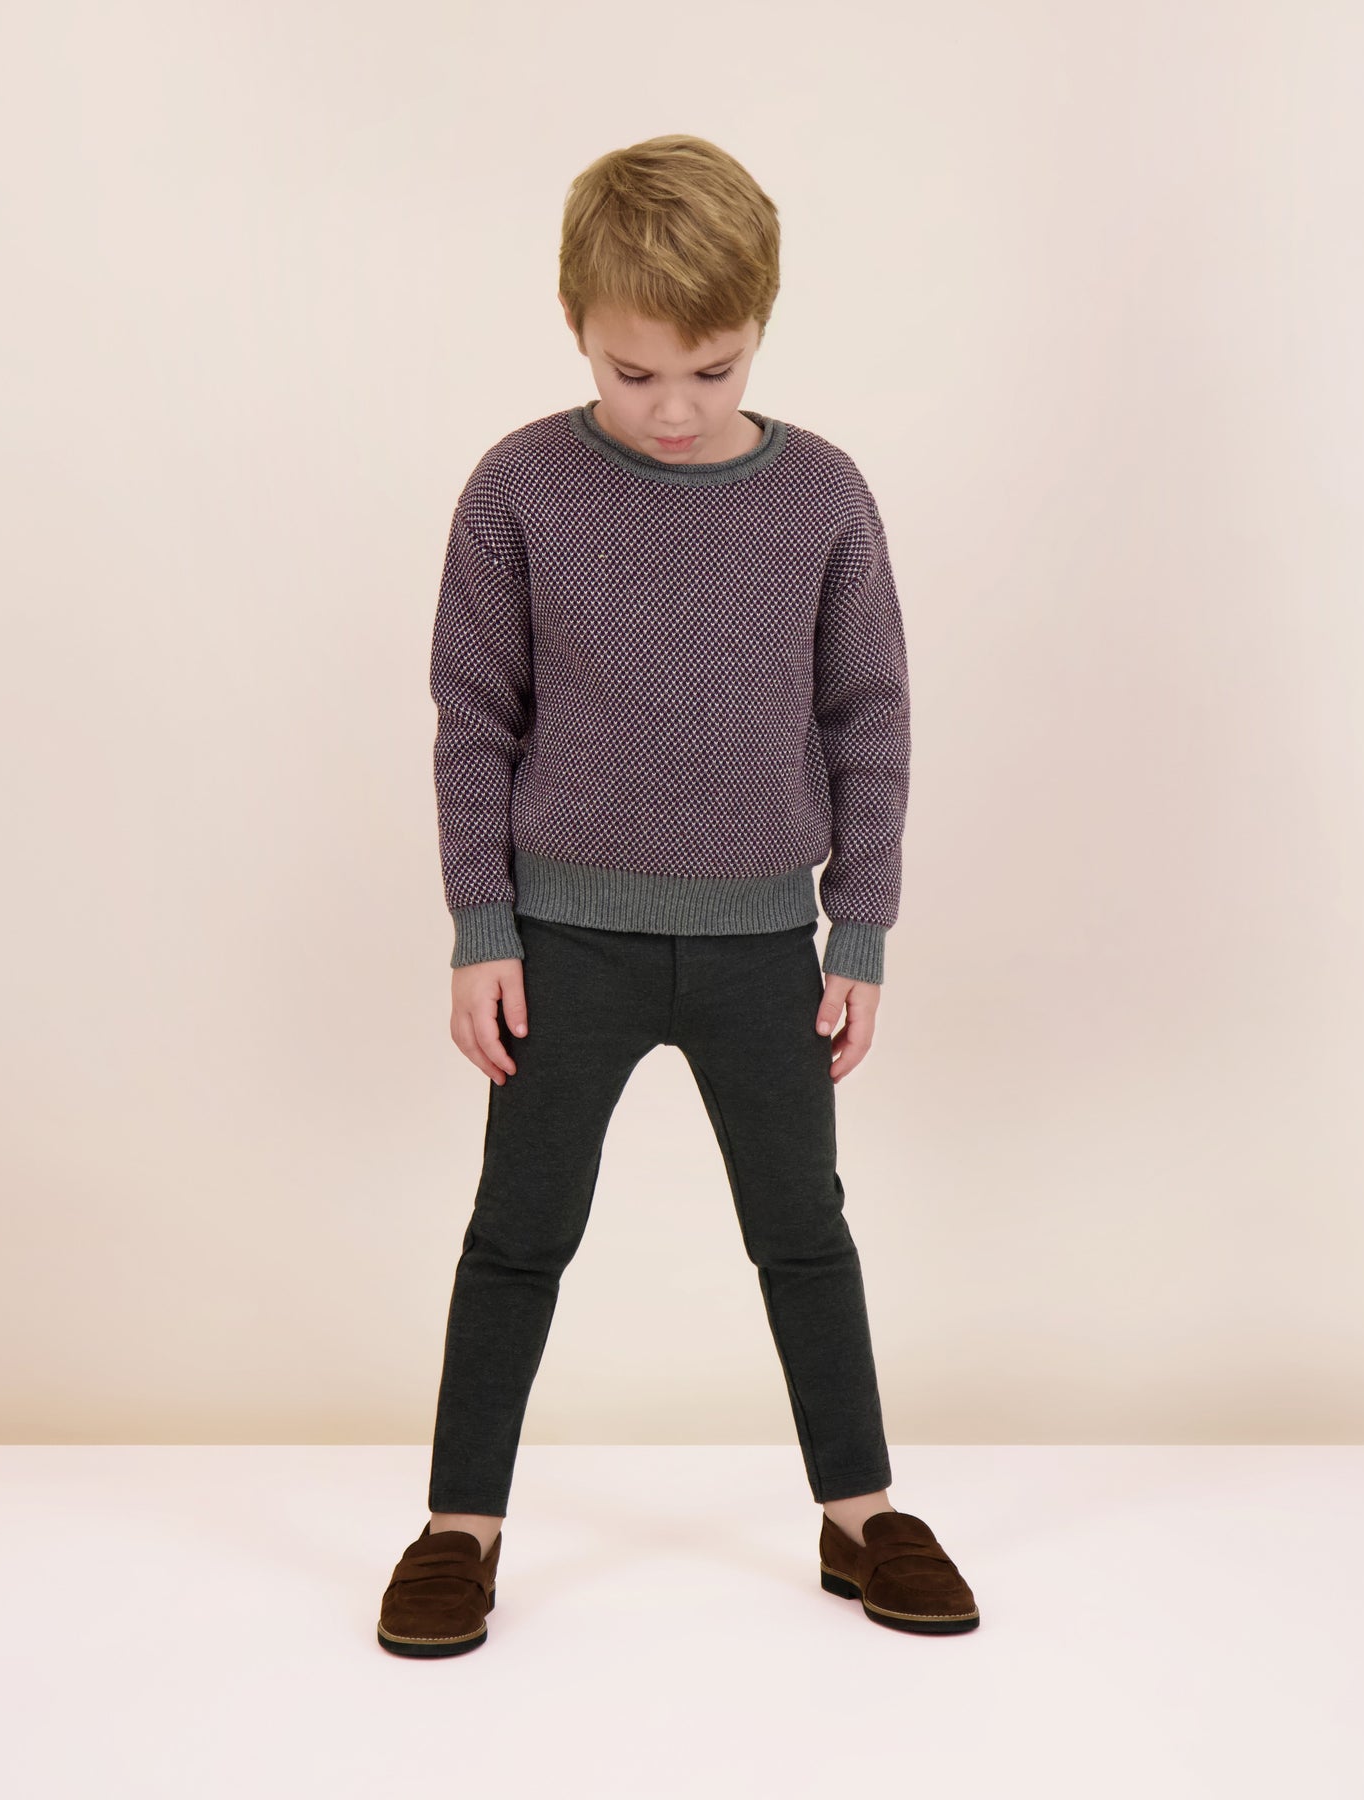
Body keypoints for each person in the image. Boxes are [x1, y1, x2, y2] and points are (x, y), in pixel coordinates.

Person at [377, 134, 979, 1656]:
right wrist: (481, 926)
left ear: (759, 327)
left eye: (713, 370)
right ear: (577, 327)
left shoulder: (822, 495)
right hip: (561, 943)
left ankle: (860, 1512)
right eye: (634, 371)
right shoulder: (519, 488)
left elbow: (870, 717)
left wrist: (862, 928)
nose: (674, 408)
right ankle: (460, 1528)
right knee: (518, 1232)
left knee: (804, 1231)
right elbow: (474, 718)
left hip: (764, 943)